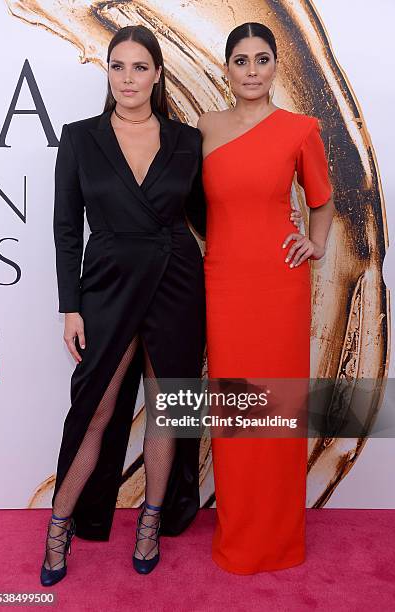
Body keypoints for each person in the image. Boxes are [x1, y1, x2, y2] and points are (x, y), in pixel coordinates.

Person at [40, 25, 207, 585]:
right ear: (107, 72)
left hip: (176, 280)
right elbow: (67, 229)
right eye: (118, 66)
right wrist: (71, 305)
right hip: (107, 285)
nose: (128, 78)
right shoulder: (81, 137)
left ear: (158, 74)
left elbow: (210, 218)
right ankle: (60, 524)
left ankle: (152, 520)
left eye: (140, 67)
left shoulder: (187, 140)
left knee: (167, 408)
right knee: (95, 410)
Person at [198, 22, 335, 574]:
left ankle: (280, 539)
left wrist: (316, 242)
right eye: (240, 60)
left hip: (279, 285)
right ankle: (240, 537)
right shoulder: (204, 128)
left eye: (261, 59)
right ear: (225, 68)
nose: (251, 71)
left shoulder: (301, 129)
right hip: (224, 284)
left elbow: (321, 201)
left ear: (276, 65)